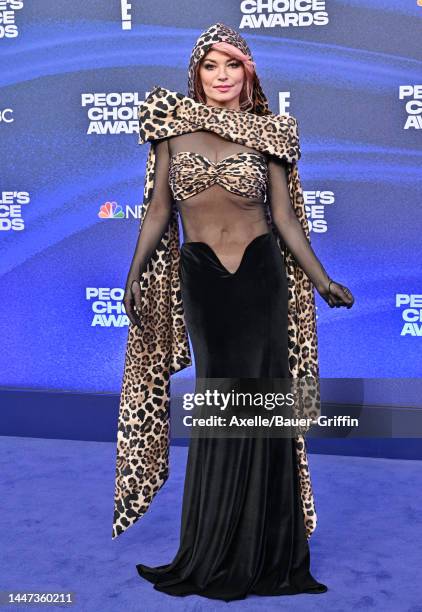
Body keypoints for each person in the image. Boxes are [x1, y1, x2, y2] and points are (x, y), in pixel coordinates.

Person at [113, 23, 354, 602]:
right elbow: (156, 214)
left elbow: (287, 219)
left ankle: (271, 554)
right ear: (195, 74)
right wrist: (134, 273)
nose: (221, 77)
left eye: (233, 66)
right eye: (210, 66)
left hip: (260, 278)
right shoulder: (171, 131)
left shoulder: (271, 134)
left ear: (250, 75)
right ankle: (207, 550)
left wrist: (321, 280)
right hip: (203, 281)